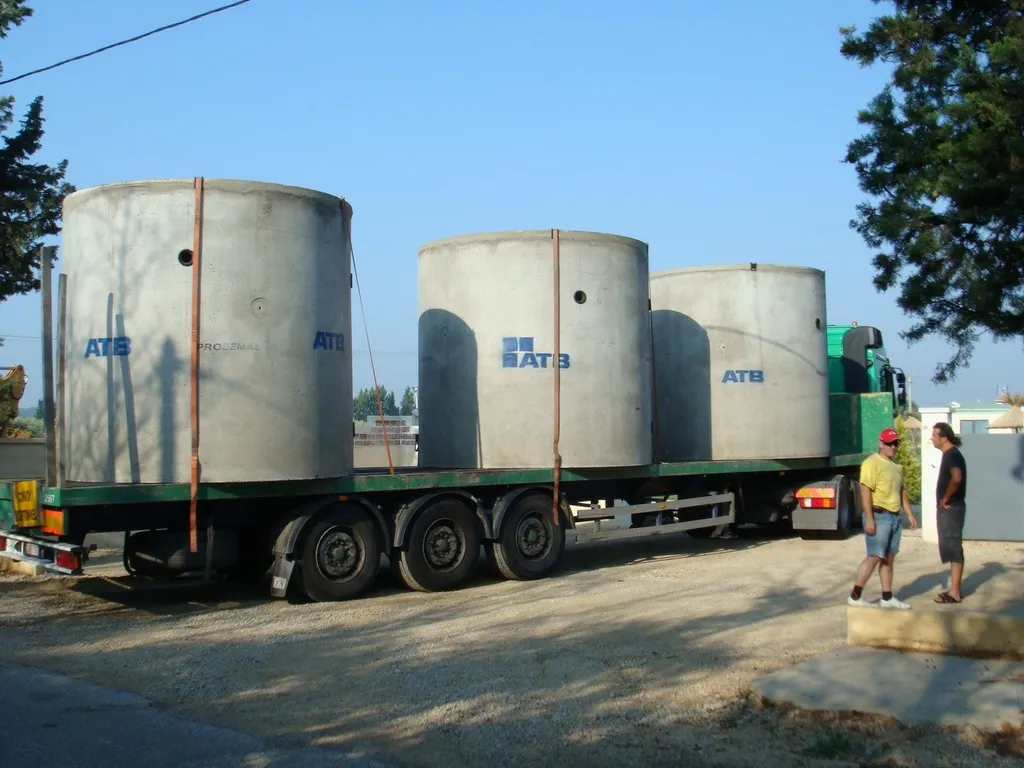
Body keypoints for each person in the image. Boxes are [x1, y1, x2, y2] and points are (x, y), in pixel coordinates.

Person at [848, 427, 918, 609]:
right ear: (881, 443)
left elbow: (901, 491)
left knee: (888, 558)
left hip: (894, 517)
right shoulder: (872, 463)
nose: (893, 447)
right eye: (889, 443)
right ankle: (855, 596)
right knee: (874, 556)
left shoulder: (896, 467)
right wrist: (869, 518)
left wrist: (909, 514)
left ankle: (887, 597)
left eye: (895, 443)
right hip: (879, 516)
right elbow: (865, 491)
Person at [930, 422, 967, 603]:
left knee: (952, 546)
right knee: (952, 547)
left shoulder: (951, 455)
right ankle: (954, 589)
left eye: (934, 435)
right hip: (953, 508)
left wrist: (945, 498)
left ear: (944, 437)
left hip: (951, 508)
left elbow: (957, 477)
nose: (932, 438)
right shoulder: (950, 454)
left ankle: (954, 592)